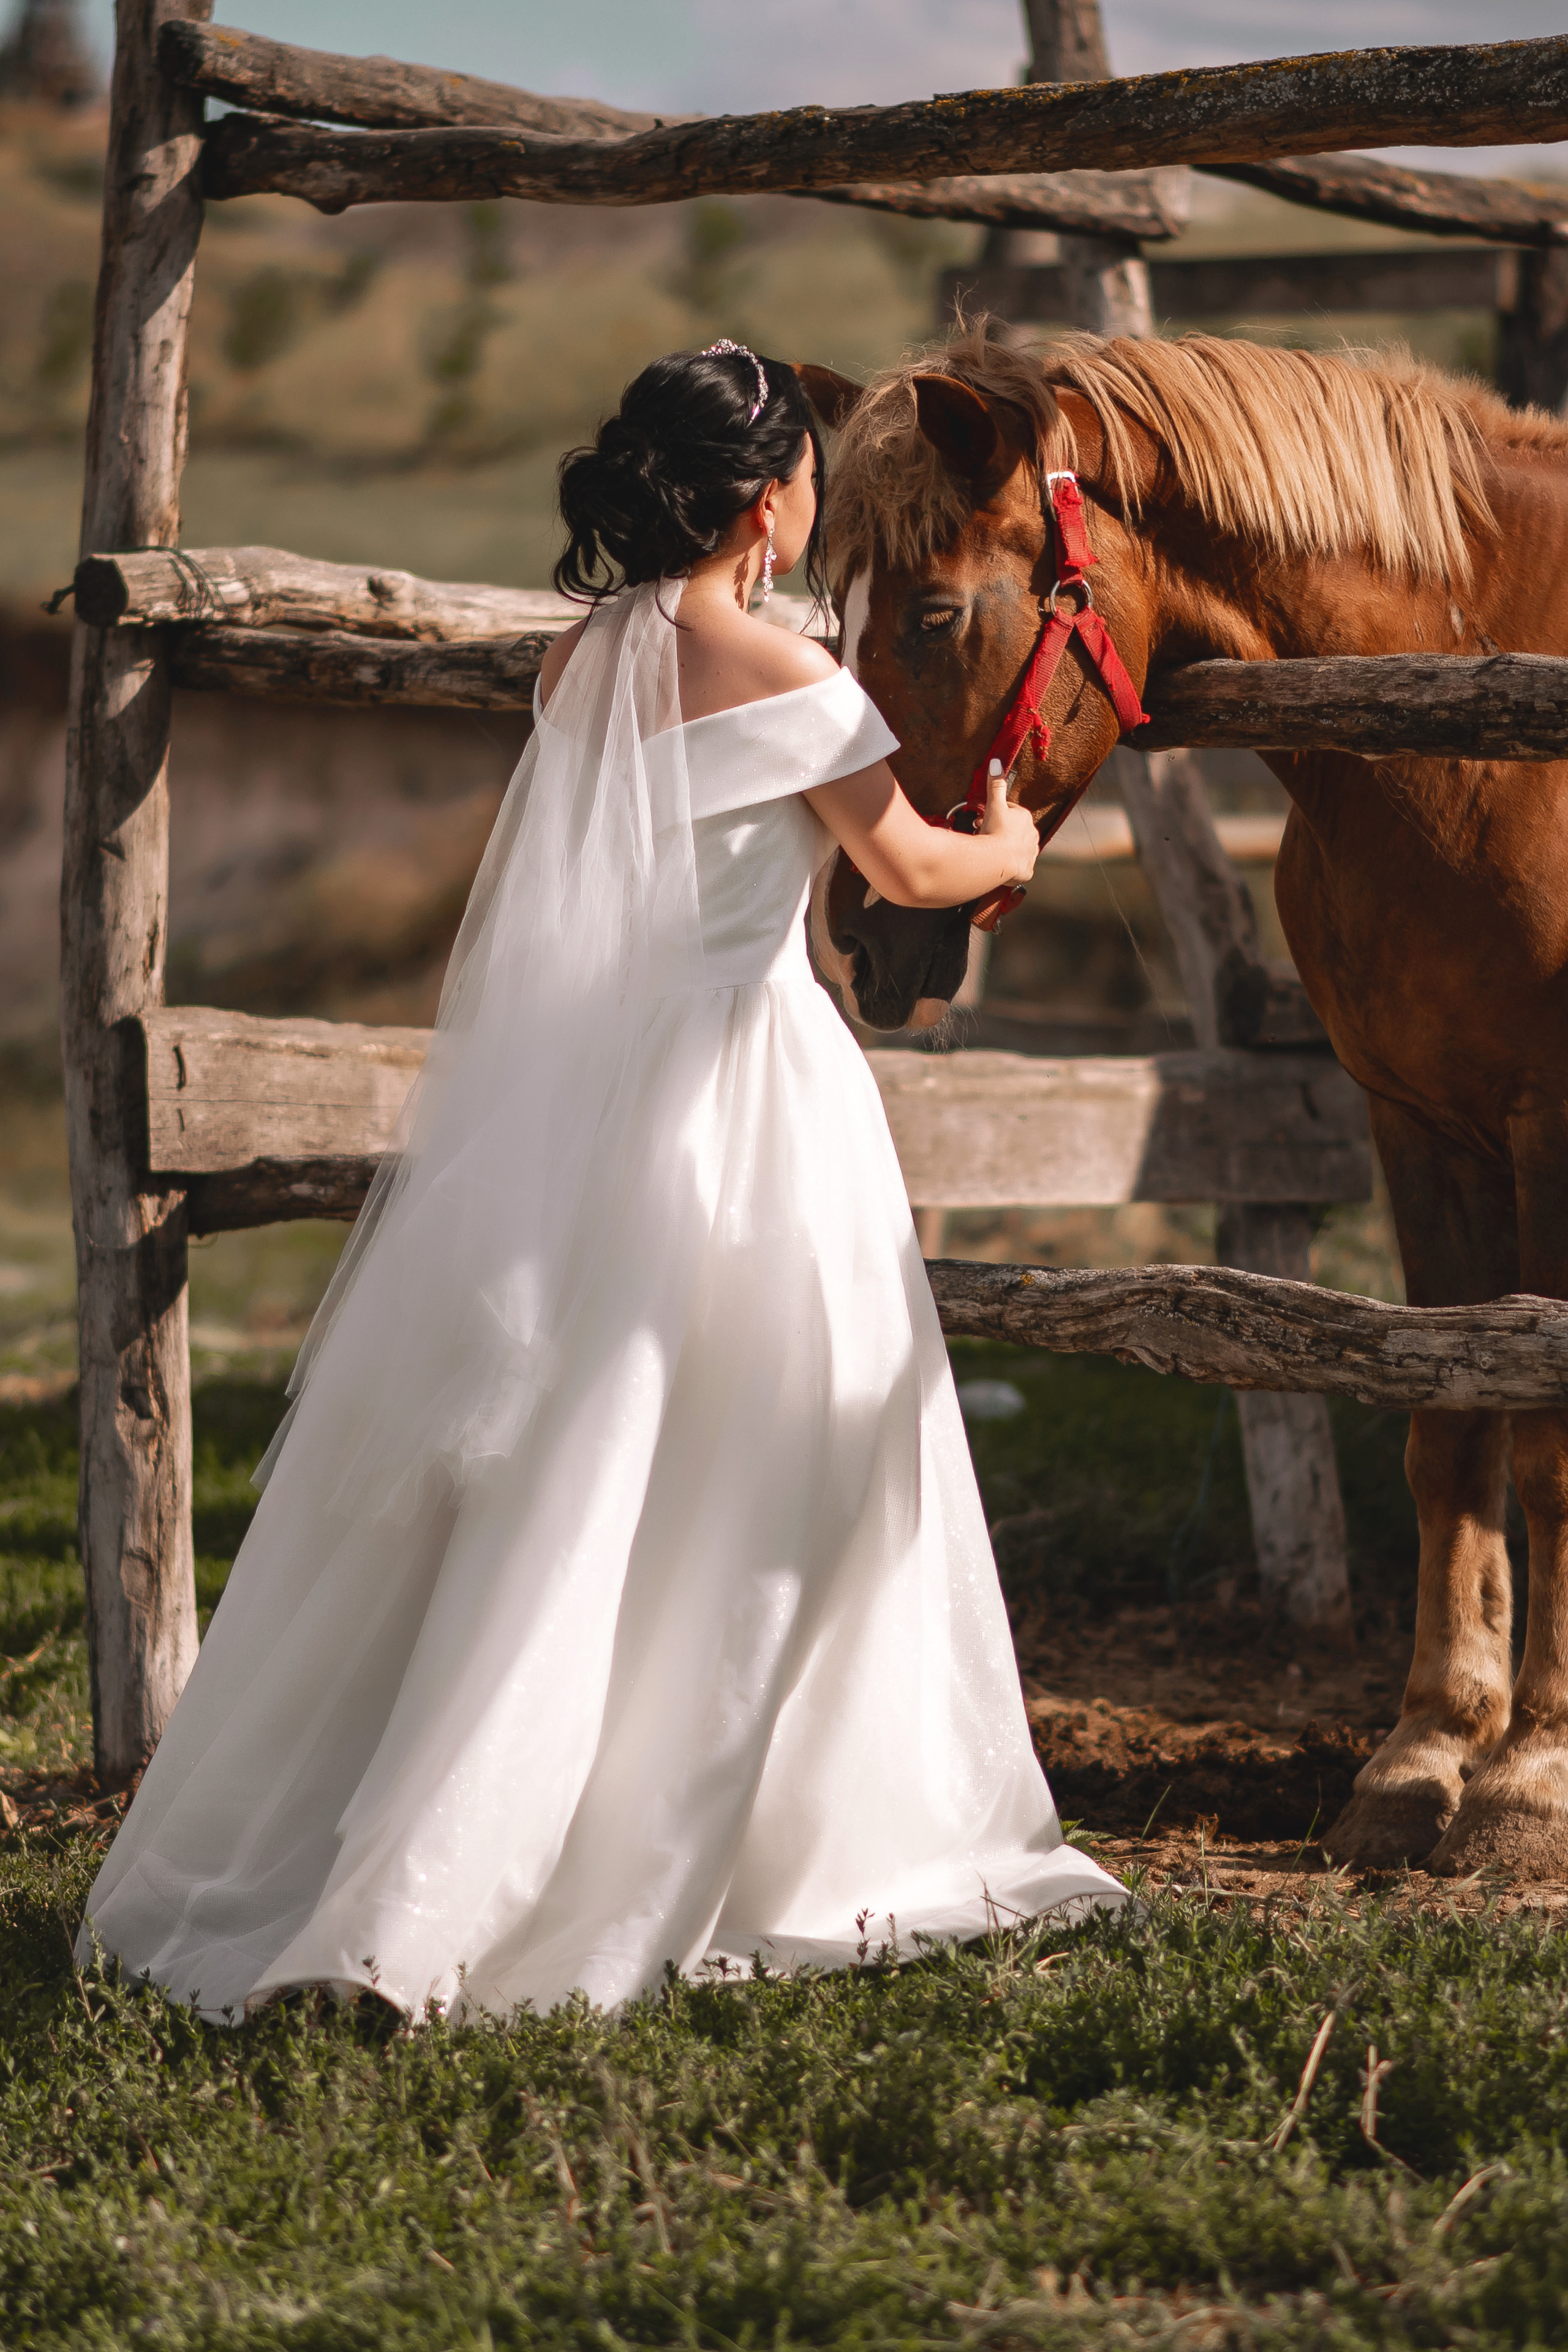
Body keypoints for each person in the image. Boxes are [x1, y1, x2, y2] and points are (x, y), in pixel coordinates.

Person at [78, 342, 1124, 2022]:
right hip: (752, 1089)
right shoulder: (801, 684)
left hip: (592, 1094)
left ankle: (426, 1847)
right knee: (769, 1452)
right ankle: (763, 1821)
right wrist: (1011, 839)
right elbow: (910, 864)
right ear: (775, 501)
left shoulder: (581, 662)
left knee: (575, 1464)